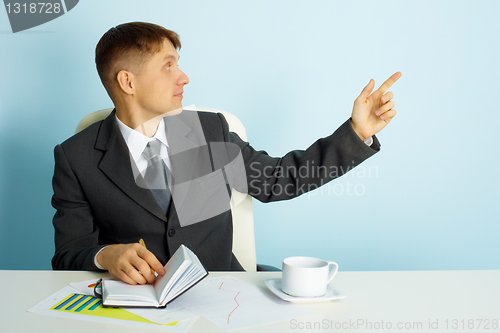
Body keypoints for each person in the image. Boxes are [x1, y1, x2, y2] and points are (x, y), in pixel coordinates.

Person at [51, 22, 401, 285]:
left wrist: (357, 133)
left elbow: (281, 179)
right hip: (135, 306)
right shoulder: (75, 158)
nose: (184, 77)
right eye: (168, 66)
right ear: (128, 82)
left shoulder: (208, 131)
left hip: (220, 293)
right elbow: (68, 254)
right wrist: (104, 254)